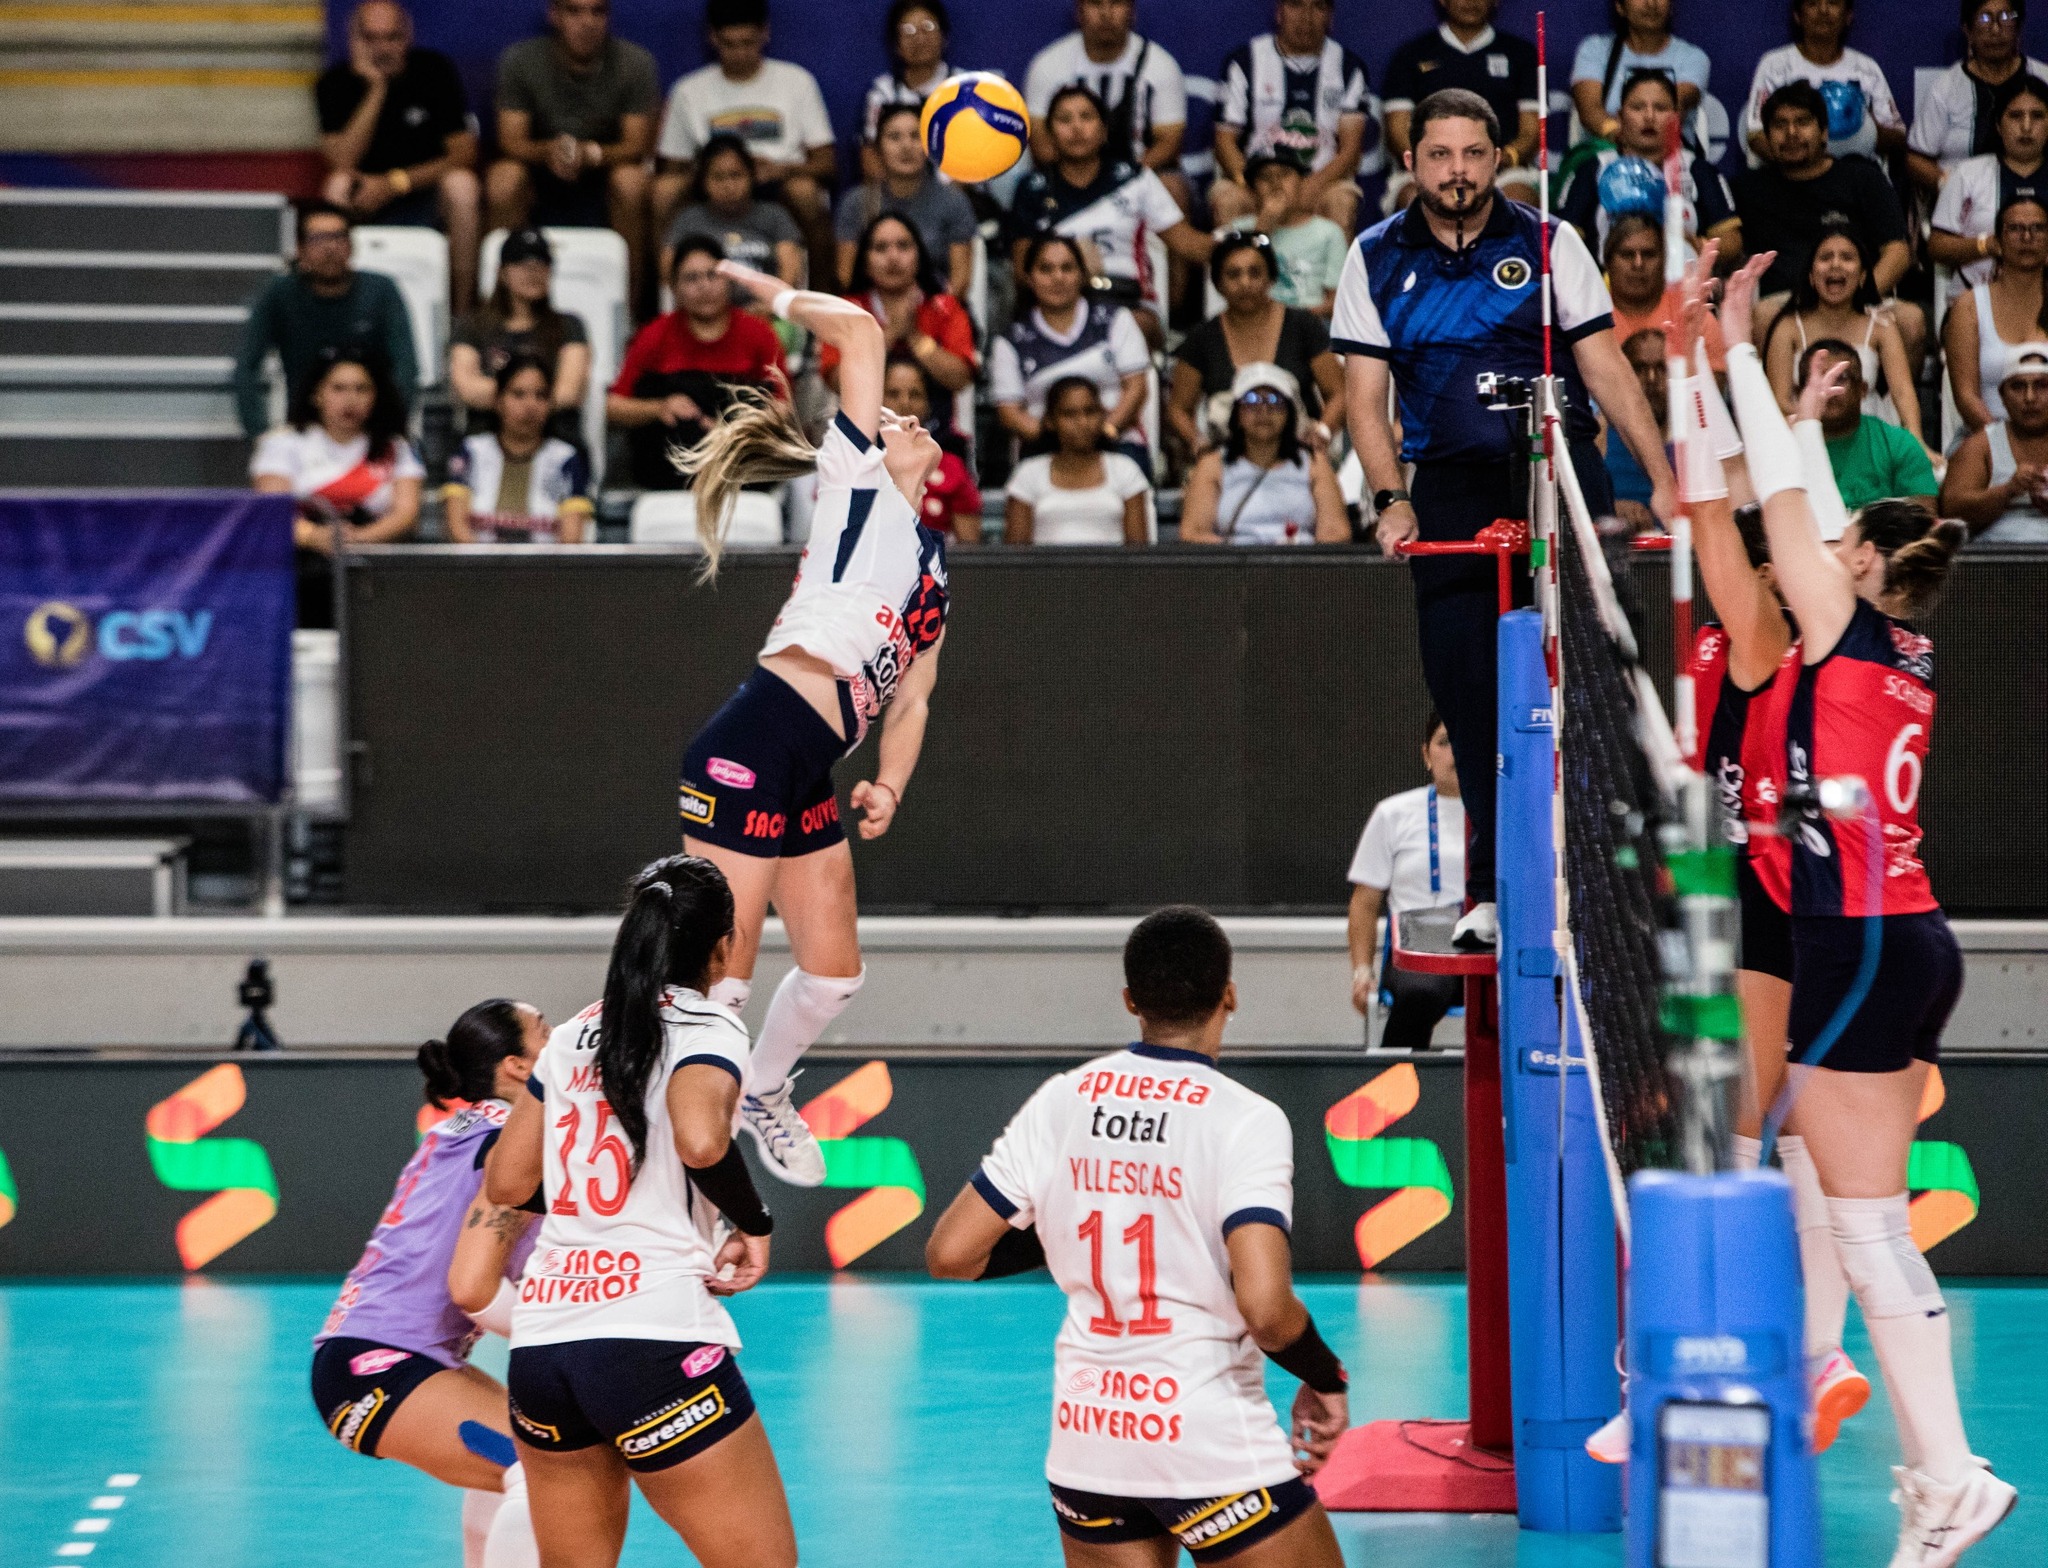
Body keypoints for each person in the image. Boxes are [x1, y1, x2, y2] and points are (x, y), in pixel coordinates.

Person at [1712, 255, 2016, 1568]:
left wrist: (1739, 352)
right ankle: (1928, 1461)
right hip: (1911, 933)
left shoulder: (1839, 621)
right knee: (1860, 1213)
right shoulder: (1902, 644)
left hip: (1855, 942)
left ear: (1866, 565)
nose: (1820, 545)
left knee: (1864, 1223)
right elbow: (1815, 513)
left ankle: (1947, 1478)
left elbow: (1790, 503)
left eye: (1842, 544)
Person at [1335, 88, 1674, 949]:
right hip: (1449, 488)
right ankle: (1490, 892)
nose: (1457, 171)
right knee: (1469, 697)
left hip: (1559, 475)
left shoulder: (1552, 242)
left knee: (1592, 681)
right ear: (1411, 162)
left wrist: (1664, 479)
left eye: (1473, 154)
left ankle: (1607, 879)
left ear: (1499, 159)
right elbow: (1365, 401)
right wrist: (1392, 499)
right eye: (1439, 154)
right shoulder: (1372, 256)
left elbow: (1605, 369)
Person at [925, 906, 1350, 1568]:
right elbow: (1267, 1308)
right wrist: (1325, 1374)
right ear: (1229, 995)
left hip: (1089, 1446)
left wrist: (1066, 1222)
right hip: (1208, 1446)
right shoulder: (1246, 1120)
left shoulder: (1063, 1100)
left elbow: (950, 1254)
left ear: (1131, 1000)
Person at [667, 260, 951, 1187]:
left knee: (833, 976)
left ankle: (760, 1089)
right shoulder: (853, 480)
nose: (906, 420)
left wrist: (892, 784)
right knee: (722, 982)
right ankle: (682, 1172)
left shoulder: (933, 573)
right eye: (894, 416)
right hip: (755, 741)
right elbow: (861, 331)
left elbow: (913, 698)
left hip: (810, 766)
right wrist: (760, 284)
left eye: (918, 418)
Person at [481, 855, 797, 1568]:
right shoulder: (708, 1027)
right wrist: (754, 1223)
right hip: (650, 1337)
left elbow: (505, 1180)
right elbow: (700, 1139)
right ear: (725, 944)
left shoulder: (571, 1036)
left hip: (544, 1345)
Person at [312, 999, 544, 1568]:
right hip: (380, 1368)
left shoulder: (460, 1129)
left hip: (371, 1356)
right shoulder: (510, 1146)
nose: (560, 1039)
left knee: (528, 1457)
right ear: (517, 1066)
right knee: (547, 1470)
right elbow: (506, 1280)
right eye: (546, 1030)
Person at [1006, 84, 1212, 342]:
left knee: (1129, 329)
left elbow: (1190, 244)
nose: (1076, 128)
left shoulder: (1135, 180)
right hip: (1060, 305)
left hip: (1130, 304)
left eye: (1086, 117)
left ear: (1104, 130)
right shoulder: (1032, 189)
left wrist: (1247, 239)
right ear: (1049, 133)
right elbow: (1022, 274)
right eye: (1065, 119)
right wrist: (1076, 268)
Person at [1732, 81, 1918, 364]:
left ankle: (1892, 396)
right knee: (1764, 316)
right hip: (1786, 304)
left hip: (1859, 299)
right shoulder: (1748, 190)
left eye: (1802, 122)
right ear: (1766, 137)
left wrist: (1856, 298)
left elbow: (1898, 252)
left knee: (1911, 321)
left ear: (1824, 132)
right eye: (1780, 125)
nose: (1791, 133)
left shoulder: (1861, 178)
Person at [487, 0, 658, 306]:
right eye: (574, 11)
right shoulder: (521, 60)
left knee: (632, 181)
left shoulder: (635, 62)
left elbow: (637, 144)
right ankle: (500, 308)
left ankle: (628, 311)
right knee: (503, 179)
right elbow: (510, 140)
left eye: (597, 12)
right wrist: (549, 151)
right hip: (539, 174)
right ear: (554, 15)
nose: (587, 22)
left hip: (603, 175)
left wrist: (591, 154)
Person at [653, 0, 836, 285]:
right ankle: (667, 292)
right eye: (729, 44)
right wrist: (711, 172)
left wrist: (781, 169)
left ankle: (822, 293)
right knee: (664, 191)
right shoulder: (688, 90)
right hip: (709, 185)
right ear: (712, 37)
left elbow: (826, 163)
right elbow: (670, 166)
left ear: (765, 33)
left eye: (748, 43)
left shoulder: (797, 82)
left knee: (805, 192)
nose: (739, 53)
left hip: (777, 184)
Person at [316, 1, 481, 311]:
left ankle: (461, 315)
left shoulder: (434, 71)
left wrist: (395, 183)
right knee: (337, 186)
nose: (382, 49)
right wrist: (376, 89)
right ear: (353, 40)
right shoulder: (334, 83)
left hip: (425, 195)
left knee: (462, 186)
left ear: (408, 37)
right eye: (371, 38)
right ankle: (337, 308)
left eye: (392, 38)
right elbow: (341, 162)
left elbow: (464, 154)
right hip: (365, 199)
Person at [252, 348, 422, 628]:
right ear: (317, 394)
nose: (350, 399)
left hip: (375, 566)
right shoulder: (283, 444)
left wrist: (358, 539)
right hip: (302, 567)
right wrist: (315, 537)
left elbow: (407, 514)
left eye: (361, 389)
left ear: (376, 396)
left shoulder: (397, 448)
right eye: (338, 388)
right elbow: (272, 511)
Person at [608, 237, 787, 490]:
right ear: (673, 287)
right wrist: (660, 408)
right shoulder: (654, 335)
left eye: (713, 275)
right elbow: (614, 407)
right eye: (691, 278)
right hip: (670, 471)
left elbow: (782, 407)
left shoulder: (760, 334)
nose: (704, 286)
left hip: (743, 465)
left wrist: (731, 430)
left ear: (729, 280)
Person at [234, 200, 417, 440]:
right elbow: (247, 366)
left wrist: (390, 428)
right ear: (300, 249)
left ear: (352, 246)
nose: (330, 248)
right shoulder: (280, 294)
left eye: (338, 237)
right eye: (318, 239)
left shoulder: (381, 291)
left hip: (372, 431)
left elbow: (406, 365)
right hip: (303, 431)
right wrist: (260, 434)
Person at [1345, 712, 1465, 1050]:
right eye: (1445, 742)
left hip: (1487, 947)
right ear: (1426, 754)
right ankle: (1397, 1072)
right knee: (1421, 991)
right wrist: (1362, 972)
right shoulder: (1393, 814)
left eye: (1465, 742)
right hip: (1419, 950)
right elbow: (1364, 903)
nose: (1455, 752)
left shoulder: (1507, 813)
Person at [1168, 233, 1345, 457]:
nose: (1245, 283)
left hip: (1301, 453)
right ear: (1218, 283)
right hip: (1226, 458)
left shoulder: (1303, 326)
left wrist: (1322, 432)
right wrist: (1199, 444)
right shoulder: (1201, 338)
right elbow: (1178, 408)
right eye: (1233, 274)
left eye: (1254, 273)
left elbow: (1339, 393)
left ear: (1271, 277)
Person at [1211, 0, 1376, 235]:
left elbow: (1350, 150)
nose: (1306, 17)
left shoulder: (1349, 67)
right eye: (1296, 5)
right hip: (1255, 181)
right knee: (1229, 201)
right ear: (1279, 12)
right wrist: (1252, 184)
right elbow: (1224, 141)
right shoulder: (1245, 61)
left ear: (1330, 17)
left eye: (1318, 7)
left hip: (1321, 182)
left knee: (1341, 203)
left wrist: (1309, 188)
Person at [991, 233, 1153, 472]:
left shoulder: (1116, 319)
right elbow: (1009, 413)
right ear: (1029, 278)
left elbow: (1137, 387)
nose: (1058, 277)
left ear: (1082, 274)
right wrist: (1060, 442)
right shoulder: (1010, 341)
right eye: (1046, 269)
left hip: (1116, 440)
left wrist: (1103, 432)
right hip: (1044, 449)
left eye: (1067, 268)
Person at [818, 213, 977, 446]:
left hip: (937, 442)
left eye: (903, 246)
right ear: (864, 260)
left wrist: (914, 337)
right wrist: (889, 334)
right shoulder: (846, 311)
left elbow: (960, 378)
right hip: (862, 442)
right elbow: (837, 382)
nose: (893, 257)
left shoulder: (945, 308)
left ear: (919, 255)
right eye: (880, 248)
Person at [1761, 221, 1922, 437]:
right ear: (1811, 276)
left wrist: (1916, 440)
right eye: (1825, 257)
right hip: (1806, 435)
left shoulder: (1882, 327)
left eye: (1847, 257)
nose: (1835, 264)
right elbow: (1780, 402)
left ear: (1863, 276)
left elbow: (1902, 392)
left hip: (1867, 436)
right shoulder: (1787, 327)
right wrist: (1822, 427)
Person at [1558, 69, 1740, 259]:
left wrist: (1696, 245)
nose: (1649, 116)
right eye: (1638, 107)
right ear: (1620, 117)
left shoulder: (1698, 170)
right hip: (1604, 276)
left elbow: (1732, 242)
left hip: (1683, 274)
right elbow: (1562, 239)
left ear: (1676, 119)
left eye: (1660, 108)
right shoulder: (1593, 169)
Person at [1023, 0, 1189, 198]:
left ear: (1132, 11)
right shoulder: (1048, 65)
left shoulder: (1160, 65)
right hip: (1068, 179)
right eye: (1095, 3)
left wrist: (1119, 181)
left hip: (1140, 175)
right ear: (1079, 12)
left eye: (1116, 3)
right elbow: (1041, 145)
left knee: (1172, 187)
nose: (1106, 13)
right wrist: (1082, 180)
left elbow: (1169, 142)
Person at [1382, 0, 1541, 207]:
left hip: (1501, 171)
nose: (1471, 2)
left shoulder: (1521, 54)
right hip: (1430, 168)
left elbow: (1532, 131)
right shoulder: (1411, 55)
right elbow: (1398, 130)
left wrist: (1502, 158)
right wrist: (1432, 161)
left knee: (1517, 201)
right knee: (1414, 199)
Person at [449, 226, 591, 444]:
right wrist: (536, 395)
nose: (533, 273)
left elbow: (569, 392)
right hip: (486, 439)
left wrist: (508, 396)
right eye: (523, 265)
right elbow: (466, 387)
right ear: (502, 272)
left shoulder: (569, 326)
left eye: (541, 265)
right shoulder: (473, 326)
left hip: (553, 440)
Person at [1179, 363, 1346, 545]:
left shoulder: (1314, 463)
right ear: (1237, 413)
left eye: (1274, 400)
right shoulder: (1212, 464)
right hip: (1235, 559)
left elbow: (1335, 532)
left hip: (1299, 558)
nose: (1263, 410)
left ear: (1289, 413)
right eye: (1251, 400)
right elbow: (1193, 532)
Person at [659, 134, 806, 336]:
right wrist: (709, 313)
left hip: (767, 317)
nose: (728, 185)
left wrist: (767, 307)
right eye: (718, 177)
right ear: (703, 181)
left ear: (751, 175)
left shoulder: (774, 216)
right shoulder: (688, 220)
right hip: (703, 318)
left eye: (736, 175)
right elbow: (669, 272)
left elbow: (791, 272)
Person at [835, 104, 978, 298]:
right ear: (878, 148)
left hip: (936, 307)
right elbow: (845, 277)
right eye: (894, 137)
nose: (906, 146)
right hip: (872, 310)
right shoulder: (855, 203)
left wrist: (925, 309)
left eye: (916, 136)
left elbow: (960, 282)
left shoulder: (953, 201)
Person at [1907, 0, 2048, 197]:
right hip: (1966, 202)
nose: (1996, 29)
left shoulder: (2043, 78)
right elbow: (1915, 158)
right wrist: (1953, 190)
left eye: (2005, 17)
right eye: (1984, 18)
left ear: (2019, 27)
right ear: (1968, 30)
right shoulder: (1946, 88)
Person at [445, 356, 594, 543]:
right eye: (518, 394)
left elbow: (571, 539)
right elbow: (456, 528)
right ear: (498, 400)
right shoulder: (471, 451)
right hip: (476, 561)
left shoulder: (566, 458)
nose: (530, 406)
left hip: (547, 562)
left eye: (541, 395)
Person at [1928, 72, 2048, 300]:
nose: (2026, 126)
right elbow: (1937, 246)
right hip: (1975, 300)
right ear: (1998, 125)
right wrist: (1987, 245)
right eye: (2015, 116)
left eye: (2037, 116)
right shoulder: (1967, 174)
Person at [1740, 0, 1904, 166]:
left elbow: (1898, 138)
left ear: (1848, 16)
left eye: (1833, 3)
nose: (1823, 10)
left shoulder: (1867, 69)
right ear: (1797, 16)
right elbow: (1756, 135)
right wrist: (1802, 167)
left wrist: (1870, 129)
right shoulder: (1774, 66)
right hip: (1790, 175)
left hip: (1857, 173)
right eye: (1812, 3)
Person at [1941, 195, 2048, 432]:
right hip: (1986, 437)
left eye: (2038, 228)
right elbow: (1966, 397)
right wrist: (2005, 443)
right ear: (1997, 242)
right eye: (2015, 229)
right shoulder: (1968, 307)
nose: (2027, 237)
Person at [1004, 377, 1153, 546]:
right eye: (1069, 414)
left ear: (1102, 415)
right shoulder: (1028, 474)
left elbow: (1138, 551)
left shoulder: (1125, 470)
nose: (1082, 422)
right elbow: (1016, 553)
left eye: (1090, 412)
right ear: (1050, 421)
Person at [1795, 340, 1938, 511]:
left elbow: (1924, 516)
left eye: (1840, 378)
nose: (1829, 388)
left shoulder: (1900, 445)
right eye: (1818, 379)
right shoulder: (1782, 449)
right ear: (1800, 393)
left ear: (1862, 389)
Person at [1939, 341, 2048, 540]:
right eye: (2018, 386)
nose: (2030, 397)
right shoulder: (1981, 446)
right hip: (1997, 556)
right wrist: (2007, 491)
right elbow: (1951, 513)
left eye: (2042, 386)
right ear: (2002, 395)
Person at [1569, 0, 1711, 143]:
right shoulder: (1594, 50)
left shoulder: (1693, 58)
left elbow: (1673, 107)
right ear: (1620, 6)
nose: (1651, 4)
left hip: (1669, 154)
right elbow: (1590, 111)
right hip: (1608, 150)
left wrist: (1643, 145)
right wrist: (1620, 136)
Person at [1227, 154, 1350, 316]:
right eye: (1265, 177)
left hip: (1311, 322)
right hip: (1254, 322)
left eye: (1284, 174)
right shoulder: (1238, 229)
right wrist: (1263, 227)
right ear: (1253, 190)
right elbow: (1238, 280)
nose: (1276, 184)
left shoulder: (1329, 232)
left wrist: (1292, 321)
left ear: (1301, 183)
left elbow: (1337, 302)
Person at [1605, 213, 1728, 369]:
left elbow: (1715, 382)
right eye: (1627, 255)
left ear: (1664, 261)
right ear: (1608, 263)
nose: (1638, 264)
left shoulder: (1695, 317)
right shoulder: (1589, 318)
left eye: (1648, 254)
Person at [885, 358, 984, 543]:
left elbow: (970, 551)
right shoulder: (856, 462)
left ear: (928, 404)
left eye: (915, 394)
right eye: (893, 393)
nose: (904, 403)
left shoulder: (952, 468)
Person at [860, 0, 955, 173]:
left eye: (928, 27)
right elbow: (870, 153)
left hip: (960, 185)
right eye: (908, 30)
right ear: (896, 44)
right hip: (900, 186)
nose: (919, 39)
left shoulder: (966, 86)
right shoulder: (883, 92)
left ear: (944, 36)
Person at [1608, 328, 1669, 526]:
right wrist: (1612, 507)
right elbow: (1580, 504)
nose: (1651, 379)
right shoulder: (1600, 431)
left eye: (1662, 368)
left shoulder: (1699, 433)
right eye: (1640, 369)